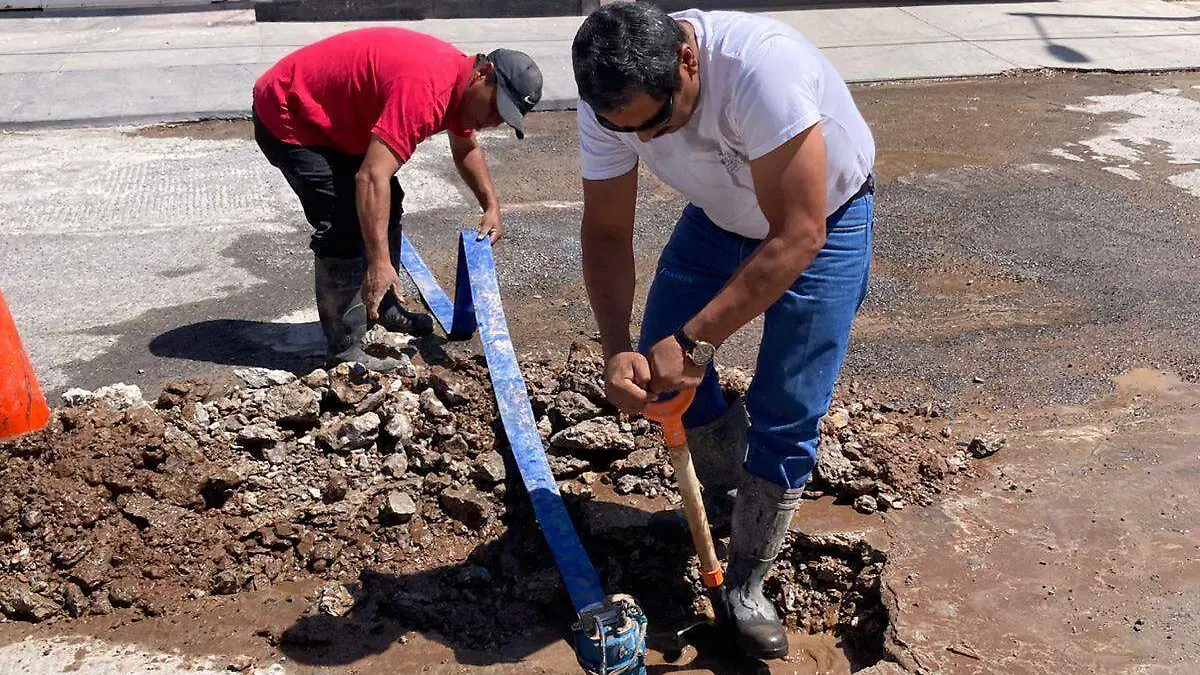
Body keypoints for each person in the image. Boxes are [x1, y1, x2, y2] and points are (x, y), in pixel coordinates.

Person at [572, 2, 875, 659]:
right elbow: (604, 231)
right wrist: (616, 344)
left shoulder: (762, 69)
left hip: (824, 220)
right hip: (719, 220)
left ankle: (747, 583)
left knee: (790, 407)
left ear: (688, 61)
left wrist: (695, 341)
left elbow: (798, 232)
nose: (646, 142)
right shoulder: (611, 101)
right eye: (628, 131)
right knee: (662, 385)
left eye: (655, 122)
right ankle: (732, 482)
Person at [253, 27, 543, 368]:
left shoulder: (460, 87)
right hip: (292, 111)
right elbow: (371, 177)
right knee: (342, 220)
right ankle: (344, 351)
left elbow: (465, 146)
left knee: (389, 201)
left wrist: (491, 205)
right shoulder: (426, 91)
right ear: (483, 74)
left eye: (503, 119)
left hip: (339, 115)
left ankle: (384, 306)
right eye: (496, 109)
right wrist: (378, 261)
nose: (492, 122)